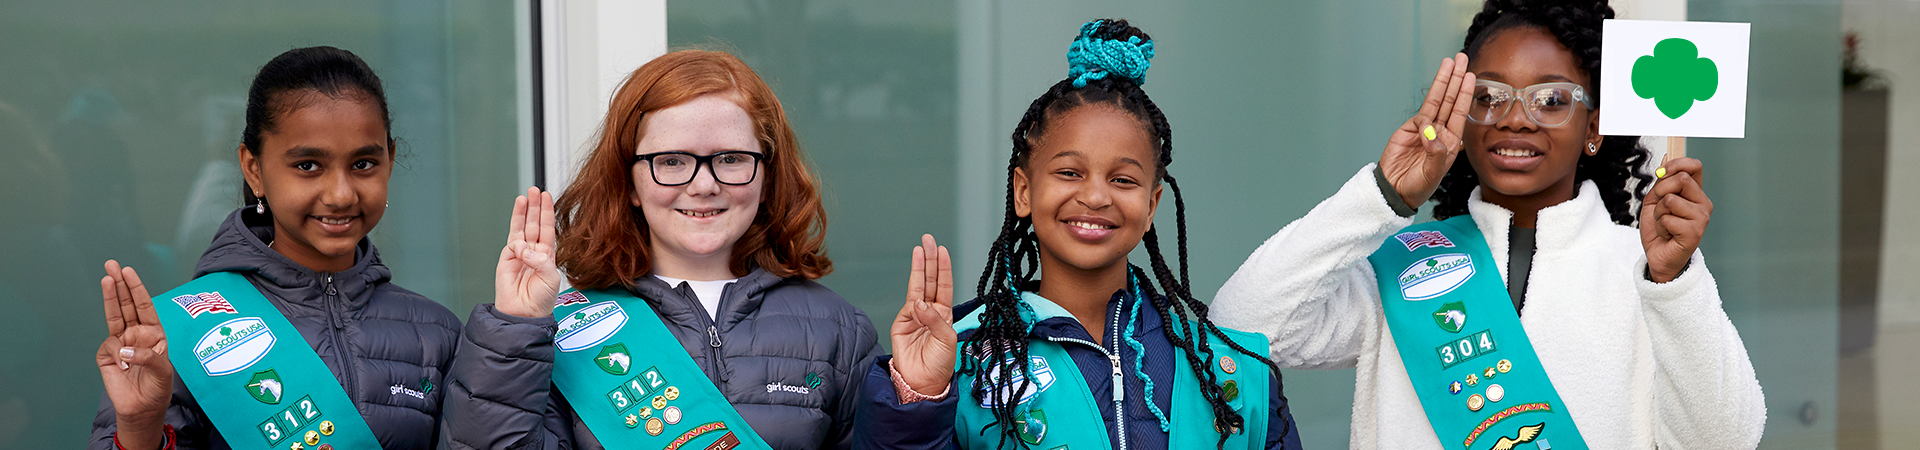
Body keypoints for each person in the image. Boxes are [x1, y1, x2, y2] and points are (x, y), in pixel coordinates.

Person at [1208, 0, 1766, 448]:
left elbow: (1726, 440)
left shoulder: (1648, 272)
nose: (1515, 118)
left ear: (1594, 126)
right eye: (1488, 96)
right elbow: (1245, 324)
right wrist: (1380, 198)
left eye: (1550, 99)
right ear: (1459, 115)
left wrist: (1674, 285)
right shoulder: (1404, 264)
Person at [858, 19, 1302, 450]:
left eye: (1123, 180)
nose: (1095, 196)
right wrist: (916, 398)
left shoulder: (1233, 373)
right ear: (1024, 191)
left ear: (1151, 207)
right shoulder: (962, 359)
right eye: (1070, 172)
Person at [439, 50, 881, 450]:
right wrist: (515, 328)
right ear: (628, 181)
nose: (704, 185)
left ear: (767, 175)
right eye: (671, 161)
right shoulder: (555, 332)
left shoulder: (840, 330)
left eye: (730, 159)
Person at [88, 46, 460, 450]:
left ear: (389, 158)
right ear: (254, 169)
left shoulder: (435, 334)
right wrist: (141, 430)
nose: (340, 194)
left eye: (363, 163)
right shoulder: (177, 334)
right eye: (308, 166)